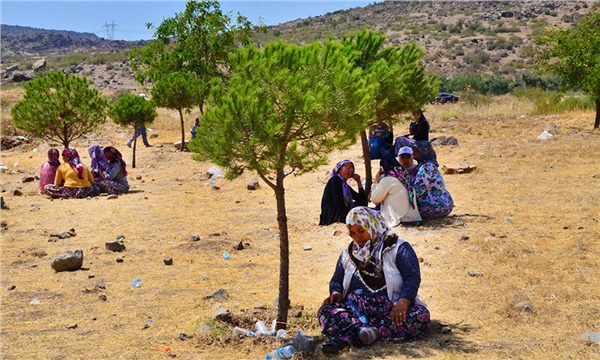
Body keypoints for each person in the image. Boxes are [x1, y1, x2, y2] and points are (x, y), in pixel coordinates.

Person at [318, 207, 430, 355]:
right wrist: (336, 292)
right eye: (352, 233)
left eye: (361, 230)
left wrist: (404, 301)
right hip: (354, 310)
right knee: (325, 310)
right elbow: (336, 278)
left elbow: (412, 276)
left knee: (420, 316)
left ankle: (354, 335)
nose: (358, 237)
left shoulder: (397, 247)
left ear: (372, 225)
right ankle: (362, 333)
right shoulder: (348, 253)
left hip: (390, 310)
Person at [370, 151, 421, 227]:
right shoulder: (404, 177)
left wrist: (376, 182)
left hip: (399, 219)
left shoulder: (387, 180)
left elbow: (374, 199)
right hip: (413, 218)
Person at [412, 141, 454, 219]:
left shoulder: (426, 167)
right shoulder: (427, 165)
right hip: (444, 203)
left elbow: (418, 189)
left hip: (436, 206)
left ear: (423, 151)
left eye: (416, 150)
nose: (413, 152)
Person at [319, 160, 367, 226]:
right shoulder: (335, 181)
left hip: (343, 214)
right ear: (339, 170)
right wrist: (350, 214)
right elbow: (338, 203)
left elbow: (362, 200)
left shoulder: (345, 185)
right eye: (347, 168)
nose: (350, 170)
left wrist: (359, 182)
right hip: (334, 217)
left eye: (351, 168)